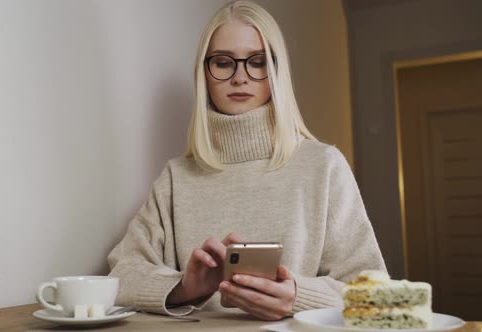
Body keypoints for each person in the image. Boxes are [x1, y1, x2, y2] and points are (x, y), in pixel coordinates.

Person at [107, 0, 386, 321]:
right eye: (224, 62)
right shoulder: (176, 178)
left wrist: (298, 296)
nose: (241, 77)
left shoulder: (323, 166)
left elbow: (374, 294)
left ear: (276, 71)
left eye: (258, 61)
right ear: (204, 73)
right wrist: (186, 287)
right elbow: (120, 276)